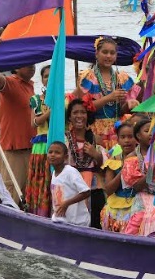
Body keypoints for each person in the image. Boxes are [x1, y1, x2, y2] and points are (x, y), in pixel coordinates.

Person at [75, 36, 139, 150]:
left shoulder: (122, 78)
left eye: (112, 53)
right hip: (95, 129)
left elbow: (120, 110)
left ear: (116, 56)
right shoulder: (88, 77)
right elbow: (83, 108)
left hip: (117, 129)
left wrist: (129, 105)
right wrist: (109, 97)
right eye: (104, 52)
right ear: (96, 54)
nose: (108, 56)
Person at [0, 63, 36, 205]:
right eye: (27, 63)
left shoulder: (30, 86)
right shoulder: (11, 83)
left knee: (29, 196)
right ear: (16, 67)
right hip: (13, 152)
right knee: (12, 197)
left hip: (31, 150)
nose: (32, 66)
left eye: (33, 63)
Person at [65, 98, 107, 228]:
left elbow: (103, 168)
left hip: (93, 188)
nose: (79, 116)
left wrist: (96, 155)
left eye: (83, 112)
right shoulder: (65, 138)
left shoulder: (96, 139)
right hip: (71, 186)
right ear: (69, 117)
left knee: (95, 224)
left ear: (88, 116)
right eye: (75, 113)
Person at [124, 118, 155, 236]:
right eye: (147, 131)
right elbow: (137, 186)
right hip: (143, 198)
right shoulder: (132, 158)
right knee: (136, 227)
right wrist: (154, 167)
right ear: (138, 136)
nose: (152, 134)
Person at [25, 65, 52, 216]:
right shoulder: (36, 100)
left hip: (61, 143)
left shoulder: (65, 98)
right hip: (42, 145)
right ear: (42, 80)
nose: (48, 78)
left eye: (51, 75)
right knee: (42, 180)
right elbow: (34, 123)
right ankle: (40, 213)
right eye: (46, 76)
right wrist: (49, 113)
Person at [101, 122, 138, 232]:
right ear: (117, 140)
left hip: (136, 206)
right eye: (123, 137)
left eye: (130, 137)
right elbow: (108, 189)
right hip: (115, 208)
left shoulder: (143, 159)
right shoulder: (113, 160)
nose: (127, 140)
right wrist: (125, 166)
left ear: (137, 138)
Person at [48, 141, 91, 227]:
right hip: (62, 221)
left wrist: (67, 203)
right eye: (50, 152)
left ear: (66, 157)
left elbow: (86, 192)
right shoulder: (53, 173)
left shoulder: (70, 172)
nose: (52, 155)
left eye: (57, 153)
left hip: (78, 222)